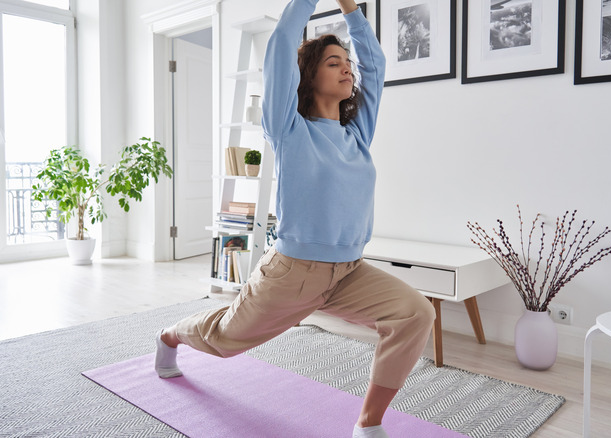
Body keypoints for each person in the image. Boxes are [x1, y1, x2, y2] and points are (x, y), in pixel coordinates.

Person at [155, 1, 436, 436]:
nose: (347, 70)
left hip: (349, 273)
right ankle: (170, 335)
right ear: (309, 77)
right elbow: (283, 42)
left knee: (415, 313)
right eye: (333, 62)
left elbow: (375, 65)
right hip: (291, 275)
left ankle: (368, 423)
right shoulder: (288, 129)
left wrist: (351, 10)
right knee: (224, 340)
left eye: (347, 63)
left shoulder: (357, 134)